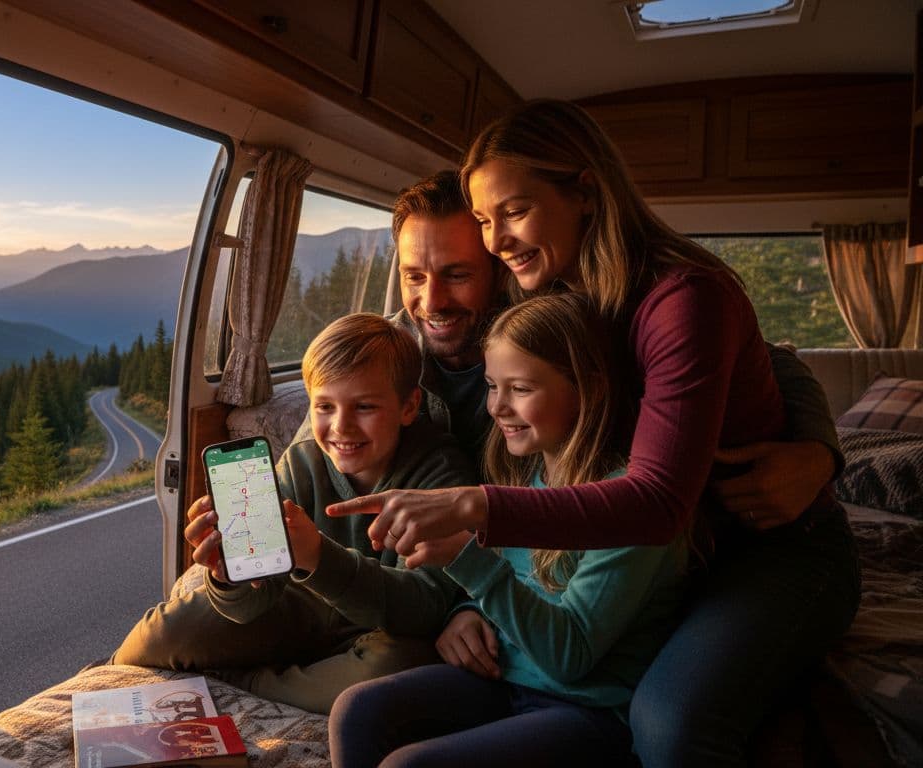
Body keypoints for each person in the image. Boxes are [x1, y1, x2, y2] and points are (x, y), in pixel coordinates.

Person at [330, 100, 860, 766]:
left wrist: (820, 452)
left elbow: (751, 390)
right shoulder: (509, 307)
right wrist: (463, 605)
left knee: (668, 726)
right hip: (650, 556)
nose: (495, 242)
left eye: (513, 213)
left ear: (585, 192)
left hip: (765, 545)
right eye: (486, 221)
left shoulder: (678, 297)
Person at [331, 292, 688, 767]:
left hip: (587, 712)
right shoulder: (525, 480)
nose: (497, 408)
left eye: (519, 389)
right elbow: (509, 591)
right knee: (356, 709)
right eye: (492, 386)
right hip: (508, 681)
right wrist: (465, 609)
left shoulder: (628, 504)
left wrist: (465, 559)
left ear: (588, 388)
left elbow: (569, 655)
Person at [109, 313, 476, 714]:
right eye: (324, 406)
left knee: (391, 673)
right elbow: (254, 602)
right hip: (301, 612)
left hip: (381, 630)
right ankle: (107, 683)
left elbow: (424, 607)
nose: (341, 426)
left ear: (409, 406)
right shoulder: (303, 462)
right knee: (162, 633)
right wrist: (228, 578)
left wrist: (319, 556)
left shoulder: (441, 475)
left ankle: (244, 682)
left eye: (365, 406)